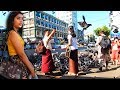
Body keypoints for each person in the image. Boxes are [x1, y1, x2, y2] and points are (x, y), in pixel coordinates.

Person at [0, 11, 36, 79]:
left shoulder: (16, 33)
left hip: (18, 62)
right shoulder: (13, 33)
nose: (21, 21)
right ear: (12, 21)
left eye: (22, 19)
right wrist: (31, 69)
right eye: (18, 18)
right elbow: (21, 54)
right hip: (17, 62)